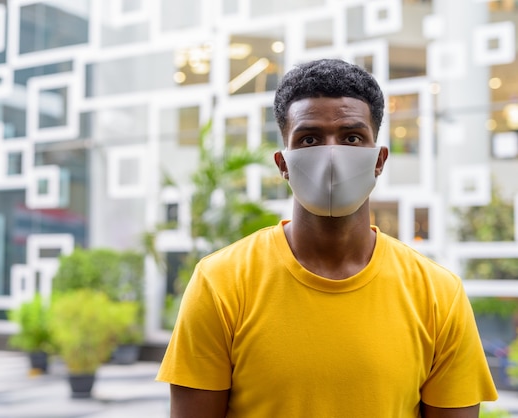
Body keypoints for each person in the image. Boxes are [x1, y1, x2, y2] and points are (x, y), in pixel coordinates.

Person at [156, 58, 498, 418]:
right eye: (309, 138)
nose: (332, 155)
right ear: (283, 163)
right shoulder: (220, 283)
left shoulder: (439, 295)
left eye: (352, 137)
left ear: (379, 160)